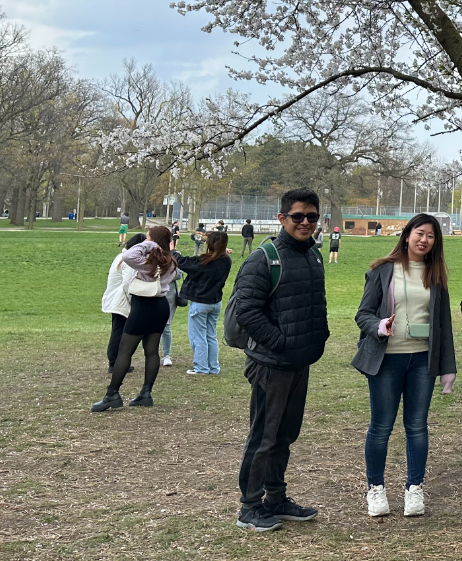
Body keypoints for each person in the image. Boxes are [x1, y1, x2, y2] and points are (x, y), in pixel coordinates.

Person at [233, 188, 330, 532]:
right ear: (282, 218)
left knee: (286, 434)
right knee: (264, 436)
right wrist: (280, 343)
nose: (306, 223)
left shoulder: (312, 255)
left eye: (312, 217)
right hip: (271, 364)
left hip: (298, 361)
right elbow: (246, 310)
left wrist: (317, 337)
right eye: (298, 217)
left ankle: (276, 497)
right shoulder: (264, 258)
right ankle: (250, 505)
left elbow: (313, 301)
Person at [353, 213, 457, 518]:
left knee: (417, 427)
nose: (424, 240)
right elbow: (363, 314)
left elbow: (443, 325)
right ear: (407, 234)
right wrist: (380, 325)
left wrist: (447, 367)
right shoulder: (384, 270)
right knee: (381, 426)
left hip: (421, 361)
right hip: (387, 360)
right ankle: (376, 489)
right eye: (420, 233)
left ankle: (414, 489)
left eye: (431, 236)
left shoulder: (435, 275)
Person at [91, 225, 179, 412]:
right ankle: (146, 393)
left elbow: (128, 255)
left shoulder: (148, 260)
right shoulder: (170, 262)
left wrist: (148, 244)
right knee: (152, 351)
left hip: (143, 305)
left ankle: (112, 394)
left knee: (125, 351)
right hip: (160, 306)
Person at [175, 230, 232, 375]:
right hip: (215, 302)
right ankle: (213, 367)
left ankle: (201, 367)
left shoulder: (204, 261)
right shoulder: (226, 260)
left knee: (198, 336)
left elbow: (182, 262)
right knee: (210, 335)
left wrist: (172, 250)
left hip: (200, 303)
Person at [101, 233, 146, 373]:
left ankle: (118, 361)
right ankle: (115, 362)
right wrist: (134, 300)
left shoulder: (122, 257)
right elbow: (128, 283)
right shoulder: (128, 260)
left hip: (118, 299)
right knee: (120, 332)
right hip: (122, 300)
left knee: (119, 331)